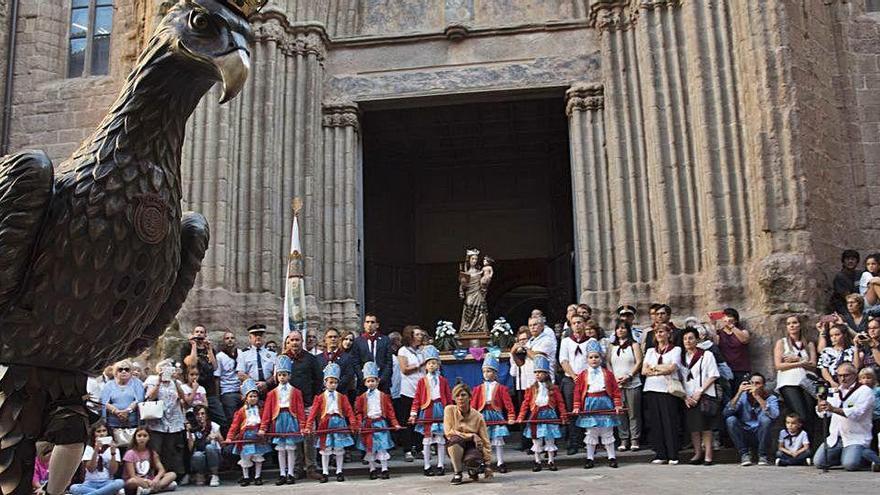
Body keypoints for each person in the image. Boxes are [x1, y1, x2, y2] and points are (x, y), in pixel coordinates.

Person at [814, 362, 876, 470]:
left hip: (856, 437)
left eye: (846, 375)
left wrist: (833, 409)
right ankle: (847, 456)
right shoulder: (835, 391)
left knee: (850, 465)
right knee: (819, 462)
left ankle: (872, 459)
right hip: (836, 437)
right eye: (839, 375)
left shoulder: (865, 391)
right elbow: (825, 414)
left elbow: (856, 413)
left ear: (855, 375)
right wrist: (821, 404)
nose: (842, 379)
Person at [572, 339, 622, 469]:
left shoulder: (608, 374)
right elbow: (577, 392)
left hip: (605, 402)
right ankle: (590, 458)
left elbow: (615, 390)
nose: (594, 359)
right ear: (587, 359)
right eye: (591, 357)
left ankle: (611, 457)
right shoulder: (582, 375)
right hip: (590, 403)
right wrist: (577, 406)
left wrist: (617, 404)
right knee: (591, 432)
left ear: (601, 358)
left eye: (596, 357)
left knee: (607, 431)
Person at [304, 363, 358, 483]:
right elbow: (313, 413)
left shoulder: (342, 397)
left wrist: (353, 423)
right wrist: (308, 426)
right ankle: (325, 472)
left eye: (335, 382)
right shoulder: (319, 397)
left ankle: (339, 471)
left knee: (339, 448)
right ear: (325, 383)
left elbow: (349, 411)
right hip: (325, 423)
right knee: (325, 448)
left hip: (339, 422)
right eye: (330, 382)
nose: (333, 385)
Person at [281, 331, 323, 480]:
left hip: (307, 404)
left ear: (302, 341)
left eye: (297, 340)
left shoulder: (310, 359)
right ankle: (297, 468)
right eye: (292, 340)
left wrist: (315, 400)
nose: (294, 342)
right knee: (295, 437)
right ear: (288, 341)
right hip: (290, 407)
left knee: (309, 437)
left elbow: (319, 380)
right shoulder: (283, 358)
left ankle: (311, 467)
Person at [258, 355, 305, 485]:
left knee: (290, 448)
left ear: (289, 376)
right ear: (276, 377)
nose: (282, 377)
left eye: (284, 375)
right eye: (280, 375)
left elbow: (300, 409)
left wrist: (302, 425)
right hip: (278, 420)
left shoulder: (296, 392)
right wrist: (263, 427)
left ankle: (290, 473)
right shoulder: (272, 393)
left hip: (291, 419)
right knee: (281, 448)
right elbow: (267, 411)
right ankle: (282, 474)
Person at [517, 355, 568, 472]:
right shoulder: (531, 389)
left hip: (549, 415)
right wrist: (521, 416)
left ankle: (551, 461)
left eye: (541, 372)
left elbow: (560, 403)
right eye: (536, 372)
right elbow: (525, 403)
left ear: (546, 374)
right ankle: (537, 461)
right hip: (536, 415)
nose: (538, 374)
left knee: (550, 439)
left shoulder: (554, 388)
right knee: (537, 440)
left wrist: (563, 415)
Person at [641, 324, 684, 464]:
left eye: (661, 332)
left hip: (667, 389)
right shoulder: (650, 351)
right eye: (656, 332)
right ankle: (661, 454)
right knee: (656, 423)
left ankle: (673, 454)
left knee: (669, 421)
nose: (659, 334)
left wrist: (654, 369)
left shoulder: (676, 349)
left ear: (668, 334)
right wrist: (660, 369)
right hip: (652, 388)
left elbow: (672, 368)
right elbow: (644, 371)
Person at [409, 346, 452, 476]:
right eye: (429, 363)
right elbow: (417, 398)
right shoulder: (422, 381)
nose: (432, 365)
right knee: (427, 439)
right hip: (427, 409)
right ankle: (427, 466)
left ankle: (440, 465)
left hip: (440, 409)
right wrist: (413, 413)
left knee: (440, 438)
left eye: (434, 363)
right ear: (425, 366)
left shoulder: (443, 380)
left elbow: (448, 396)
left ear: (438, 365)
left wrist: (451, 412)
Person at [354, 361, 402, 479]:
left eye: (373, 381)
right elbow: (358, 412)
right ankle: (372, 469)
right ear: (365, 383)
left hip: (380, 423)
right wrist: (359, 423)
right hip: (368, 424)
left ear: (378, 381)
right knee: (370, 448)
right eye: (368, 381)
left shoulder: (384, 396)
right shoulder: (361, 397)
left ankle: (385, 469)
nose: (371, 383)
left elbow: (390, 412)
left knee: (382, 447)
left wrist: (395, 423)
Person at [681, 327, 721, 465]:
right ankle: (697, 453)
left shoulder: (706, 355)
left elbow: (713, 375)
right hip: (689, 396)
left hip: (704, 395)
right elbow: (681, 379)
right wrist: (685, 396)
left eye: (691, 338)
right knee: (693, 427)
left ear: (697, 340)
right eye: (685, 339)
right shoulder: (682, 358)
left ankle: (708, 454)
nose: (688, 341)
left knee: (705, 426)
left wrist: (700, 392)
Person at [143, 360, 187, 479]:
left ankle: (168, 476)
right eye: (164, 368)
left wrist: (176, 380)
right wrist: (159, 381)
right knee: (156, 449)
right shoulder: (152, 380)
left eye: (169, 368)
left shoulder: (175, 382)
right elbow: (150, 397)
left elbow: (184, 398)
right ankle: (154, 474)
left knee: (170, 449)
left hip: (173, 421)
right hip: (157, 421)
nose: (167, 371)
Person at [470, 355, 515, 472]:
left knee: (498, 439)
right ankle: (485, 462)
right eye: (484, 371)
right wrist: (470, 418)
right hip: (482, 415)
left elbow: (508, 403)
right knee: (484, 440)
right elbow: (473, 405)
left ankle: (500, 462)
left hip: (496, 415)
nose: (486, 374)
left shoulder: (501, 388)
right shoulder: (478, 389)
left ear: (495, 373)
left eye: (489, 371)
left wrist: (511, 415)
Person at [724, 372, 780, 466]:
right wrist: (739, 393)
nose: (754, 385)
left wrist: (757, 396)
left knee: (766, 420)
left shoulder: (771, 398)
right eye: (752, 383)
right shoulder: (743, 396)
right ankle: (744, 454)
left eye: (757, 383)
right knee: (730, 420)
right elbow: (726, 413)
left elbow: (774, 415)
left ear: (763, 385)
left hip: (761, 433)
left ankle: (763, 455)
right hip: (745, 432)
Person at [773, 315, 818, 433]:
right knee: (800, 415)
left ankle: (809, 446)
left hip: (808, 381)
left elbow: (813, 364)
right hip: (789, 381)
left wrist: (797, 359)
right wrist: (802, 363)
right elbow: (779, 366)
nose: (792, 325)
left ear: (800, 325)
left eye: (794, 323)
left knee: (810, 415)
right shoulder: (782, 342)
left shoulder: (809, 343)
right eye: (789, 324)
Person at [444, 383, 494, 485]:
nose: (460, 398)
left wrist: (488, 464)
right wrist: (471, 435)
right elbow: (449, 432)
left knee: (473, 459)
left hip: (472, 446)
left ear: (470, 397)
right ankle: (457, 473)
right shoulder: (449, 410)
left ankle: (473, 468)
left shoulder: (478, 416)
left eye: (463, 395)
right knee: (455, 440)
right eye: (457, 396)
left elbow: (485, 440)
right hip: (456, 444)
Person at [226, 379, 271, 486]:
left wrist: (263, 430)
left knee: (258, 457)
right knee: (245, 457)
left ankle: (257, 476)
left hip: (257, 436)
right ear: (246, 398)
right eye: (250, 396)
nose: (253, 398)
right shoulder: (241, 411)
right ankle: (246, 477)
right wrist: (229, 437)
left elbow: (265, 420)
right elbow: (235, 425)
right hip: (245, 436)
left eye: (255, 396)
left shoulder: (261, 409)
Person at [607, 320, 642, 451]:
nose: (620, 330)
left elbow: (639, 362)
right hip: (616, 384)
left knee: (633, 413)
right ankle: (623, 438)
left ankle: (634, 439)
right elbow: (608, 363)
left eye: (623, 328)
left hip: (632, 383)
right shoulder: (612, 346)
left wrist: (629, 376)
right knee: (620, 412)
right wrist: (613, 378)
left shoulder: (634, 345)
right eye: (618, 328)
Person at [558, 313, 591, 455]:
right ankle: (574, 442)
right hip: (571, 379)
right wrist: (574, 376)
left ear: (584, 324)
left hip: (588, 379)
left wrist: (585, 377)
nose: (577, 325)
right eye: (574, 323)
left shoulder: (591, 341)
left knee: (588, 410)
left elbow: (595, 360)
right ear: (571, 326)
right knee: (573, 412)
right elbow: (563, 360)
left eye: (580, 322)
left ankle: (589, 441)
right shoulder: (566, 342)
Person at [180, 325, 222, 427]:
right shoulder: (187, 348)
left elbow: (215, 366)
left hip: (209, 389)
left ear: (205, 335)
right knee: (196, 419)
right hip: (194, 388)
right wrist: (194, 346)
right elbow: (192, 363)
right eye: (197, 332)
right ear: (193, 334)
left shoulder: (209, 349)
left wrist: (209, 349)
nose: (199, 334)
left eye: (201, 332)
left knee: (220, 418)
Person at [69, 420, 125, 495]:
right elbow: (90, 469)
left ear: (108, 432)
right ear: (94, 434)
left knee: (119, 482)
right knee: (74, 488)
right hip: (90, 483)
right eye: (98, 431)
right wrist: (95, 450)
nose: (102, 434)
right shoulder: (89, 448)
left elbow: (113, 471)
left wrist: (113, 453)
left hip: (107, 482)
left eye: (104, 431)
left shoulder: (114, 449)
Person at [396, 325, 426, 462]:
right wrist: (420, 365)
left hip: (422, 390)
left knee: (421, 420)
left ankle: (419, 447)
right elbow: (404, 369)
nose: (421, 336)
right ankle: (408, 449)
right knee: (409, 421)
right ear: (411, 336)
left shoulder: (423, 350)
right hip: (408, 390)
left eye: (421, 334)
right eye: (418, 334)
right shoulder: (403, 351)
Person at [101, 359, 145, 443]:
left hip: (133, 423)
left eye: (127, 369)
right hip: (113, 424)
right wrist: (116, 411)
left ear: (131, 372)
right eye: (120, 369)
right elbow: (104, 402)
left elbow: (139, 399)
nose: (124, 371)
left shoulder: (137, 383)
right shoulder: (108, 385)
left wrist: (127, 411)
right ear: (115, 372)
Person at [123, 427, 178, 495]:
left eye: (145, 436)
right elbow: (132, 476)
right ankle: (161, 487)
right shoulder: (130, 453)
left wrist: (156, 478)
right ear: (135, 437)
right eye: (139, 436)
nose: (142, 438)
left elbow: (162, 470)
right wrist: (146, 481)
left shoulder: (152, 452)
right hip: (138, 480)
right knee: (132, 481)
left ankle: (149, 490)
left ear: (149, 438)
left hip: (151, 480)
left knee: (172, 474)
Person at [353, 313, 394, 393]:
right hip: (364, 383)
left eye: (372, 322)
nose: (369, 325)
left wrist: (381, 379)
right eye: (367, 322)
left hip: (382, 383)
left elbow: (388, 362)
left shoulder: (385, 340)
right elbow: (356, 363)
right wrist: (364, 378)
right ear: (364, 324)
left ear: (377, 325)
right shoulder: (358, 341)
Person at [316, 328, 358, 404]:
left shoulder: (347, 358)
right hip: (322, 397)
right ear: (325, 340)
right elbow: (316, 376)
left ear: (339, 339)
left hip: (340, 396)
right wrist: (324, 388)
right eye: (330, 337)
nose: (333, 339)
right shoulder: (318, 358)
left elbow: (348, 376)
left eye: (335, 337)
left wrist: (333, 386)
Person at [508, 327, 533, 452]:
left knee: (531, 414)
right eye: (520, 340)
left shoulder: (531, 351)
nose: (523, 342)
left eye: (525, 339)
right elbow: (513, 372)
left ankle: (533, 442)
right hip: (520, 385)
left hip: (531, 385)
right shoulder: (515, 353)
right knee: (522, 413)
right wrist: (513, 355)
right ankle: (524, 441)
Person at [186, 405, 222, 487]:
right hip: (199, 456)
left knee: (209, 447)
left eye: (203, 414)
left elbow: (222, 444)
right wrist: (189, 432)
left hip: (214, 455)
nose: (200, 416)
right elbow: (190, 449)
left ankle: (214, 475)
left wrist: (216, 436)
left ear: (207, 415)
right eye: (198, 414)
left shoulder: (213, 425)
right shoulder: (193, 427)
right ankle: (201, 474)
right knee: (197, 455)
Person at [236, 324, 276, 395]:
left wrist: (266, 384)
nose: (258, 337)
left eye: (260, 335)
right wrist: (254, 384)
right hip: (250, 390)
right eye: (255, 335)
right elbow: (240, 374)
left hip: (269, 388)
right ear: (250, 338)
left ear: (265, 337)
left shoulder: (272, 354)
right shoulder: (243, 354)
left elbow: (276, 373)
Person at [818, 323, 861, 388]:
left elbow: (856, 366)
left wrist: (856, 348)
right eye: (831, 336)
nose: (834, 337)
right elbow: (824, 369)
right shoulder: (827, 351)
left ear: (844, 335)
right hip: (833, 382)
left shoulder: (852, 350)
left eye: (837, 335)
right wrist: (831, 381)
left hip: (850, 382)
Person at [214, 330, 241, 433]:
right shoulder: (220, 356)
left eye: (232, 338)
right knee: (232, 420)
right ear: (223, 341)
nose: (230, 340)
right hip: (228, 392)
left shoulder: (240, 353)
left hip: (241, 391)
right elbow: (217, 378)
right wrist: (218, 397)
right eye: (227, 338)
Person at [715, 308, 751, 385]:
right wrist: (713, 325)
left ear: (735, 320)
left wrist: (732, 326)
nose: (727, 319)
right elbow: (714, 345)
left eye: (729, 316)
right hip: (725, 370)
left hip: (741, 369)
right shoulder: (719, 333)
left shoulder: (742, 331)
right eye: (724, 316)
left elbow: (744, 339)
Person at [831, 249, 861, 315]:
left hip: (858, 305)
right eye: (847, 259)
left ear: (857, 261)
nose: (850, 261)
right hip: (844, 307)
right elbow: (848, 297)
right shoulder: (840, 277)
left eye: (853, 259)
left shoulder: (860, 274)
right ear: (843, 261)